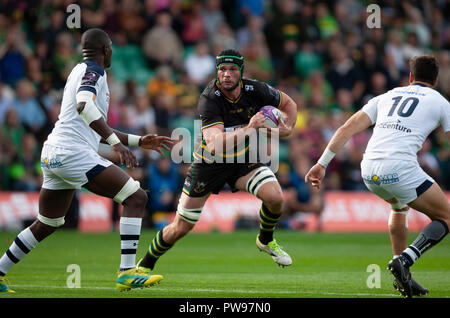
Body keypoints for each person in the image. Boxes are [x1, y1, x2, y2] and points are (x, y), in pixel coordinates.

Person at [0, 28, 176, 293]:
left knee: (47, 223)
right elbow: (84, 105)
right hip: (72, 153)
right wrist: (117, 145)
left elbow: (93, 123)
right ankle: (127, 271)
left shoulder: (78, 71)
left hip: (53, 152)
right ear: (106, 50)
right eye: (112, 47)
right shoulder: (95, 70)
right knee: (136, 197)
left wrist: (138, 141)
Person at [135, 49, 298, 274]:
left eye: (232, 69)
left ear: (241, 72)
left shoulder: (256, 89)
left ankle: (265, 239)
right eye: (222, 69)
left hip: (242, 160)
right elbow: (214, 145)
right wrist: (250, 128)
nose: (227, 74)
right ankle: (144, 265)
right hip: (208, 165)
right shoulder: (209, 98)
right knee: (181, 227)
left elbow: (289, 104)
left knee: (276, 197)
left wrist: (287, 127)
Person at [305, 55, 449, 298]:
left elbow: (346, 127)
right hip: (400, 168)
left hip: (369, 170)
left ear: (410, 77)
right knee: (446, 217)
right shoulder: (441, 102)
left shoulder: (386, 96)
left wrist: (321, 163)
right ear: (435, 80)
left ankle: (403, 276)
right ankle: (406, 258)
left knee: (398, 207)